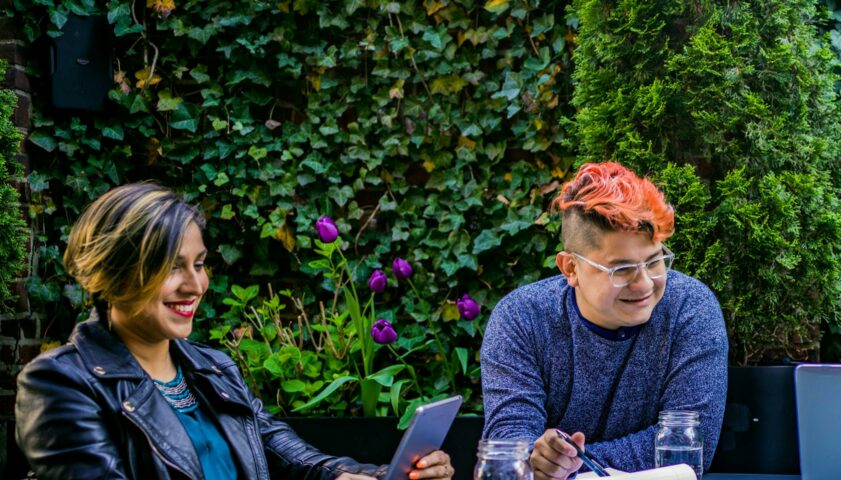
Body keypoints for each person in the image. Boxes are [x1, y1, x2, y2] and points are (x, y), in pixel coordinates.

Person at [16, 182, 454, 480]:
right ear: (114, 273)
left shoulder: (213, 370)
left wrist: (390, 473)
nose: (195, 285)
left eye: (200, 264)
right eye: (173, 267)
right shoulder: (61, 383)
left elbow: (296, 461)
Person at [481, 162, 728, 479]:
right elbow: (509, 445)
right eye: (621, 269)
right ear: (570, 268)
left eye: (655, 262)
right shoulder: (521, 319)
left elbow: (691, 442)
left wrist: (565, 467)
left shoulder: (690, 307)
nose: (644, 284)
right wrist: (535, 458)